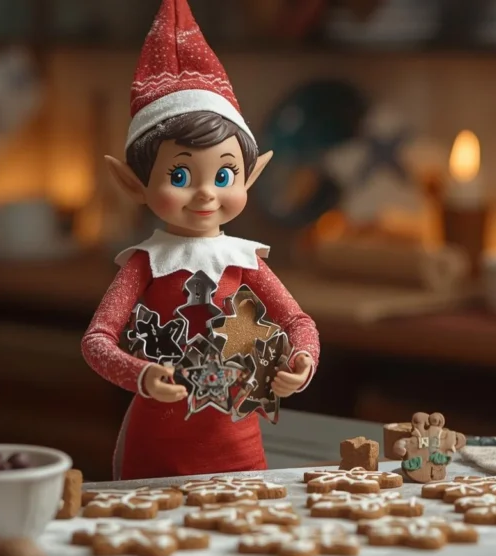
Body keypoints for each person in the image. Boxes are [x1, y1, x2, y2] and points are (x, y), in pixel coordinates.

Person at [81, 0, 319, 480]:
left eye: (226, 173)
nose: (207, 191)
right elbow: (97, 341)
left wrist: (301, 360)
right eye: (182, 173)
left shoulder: (243, 260)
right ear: (134, 184)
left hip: (238, 450)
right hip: (157, 452)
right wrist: (141, 375)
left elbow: (297, 319)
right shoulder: (146, 264)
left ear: (250, 178)